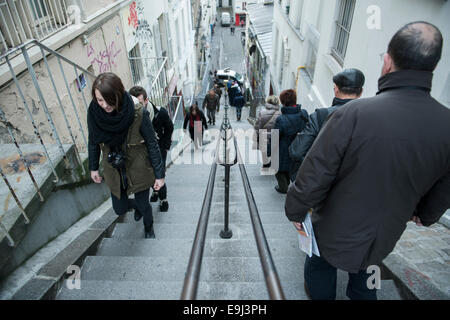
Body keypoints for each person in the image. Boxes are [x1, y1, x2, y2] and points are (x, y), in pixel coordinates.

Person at [285, 22, 450, 300]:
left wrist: (295, 211)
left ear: (387, 62)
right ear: (432, 68)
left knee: (319, 267)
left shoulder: (353, 114)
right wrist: (425, 213)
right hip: (385, 232)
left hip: (334, 224)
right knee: (366, 278)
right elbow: (443, 188)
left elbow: (315, 174)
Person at [88, 73, 165, 239]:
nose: (105, 105)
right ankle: (137, 207)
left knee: (144, 204)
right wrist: (93, 167)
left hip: (138, 167)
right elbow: (93, 140)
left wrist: (159, 175)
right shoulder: (95, 113)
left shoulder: (137, 113)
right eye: (100, 100)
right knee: (119, 209)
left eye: (109, 99)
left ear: (119, 94)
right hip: (114, 168)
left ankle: (148, 227)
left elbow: (152, 143)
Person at [288, 68, 365, 182]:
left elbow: (296, 151)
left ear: (336, 88)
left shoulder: (321, 115)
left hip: (320, 184)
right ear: (361, 91)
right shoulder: (369, 118)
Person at [129, 86, 174, 212]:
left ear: (147, 100)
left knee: (159, 174)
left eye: (140, 103)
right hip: (141, 153)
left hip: (158, 150)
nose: (137, 107)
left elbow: (169, 127)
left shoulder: (160, 112)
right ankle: (154, 192)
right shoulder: (131, 115)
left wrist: (165, 145)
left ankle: (163, 199)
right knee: (146, 176)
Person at [273, 89, 308, 194]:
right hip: (299, 148)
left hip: (284, 149)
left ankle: (283, 187)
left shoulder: (281, 119)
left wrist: (270, 152)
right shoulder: (304, 114)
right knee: (291, 167)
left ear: (283, 102)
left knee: (279, 170)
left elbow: (275, 138)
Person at [253, 95, 281, 171]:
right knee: (274, 150)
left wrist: (256, 135)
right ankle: (273, 163)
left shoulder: (262, 112)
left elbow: (257, 126)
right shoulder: (280, 113)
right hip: (275, 136)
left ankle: (265, 164)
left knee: (264, 151)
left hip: (263, 135)